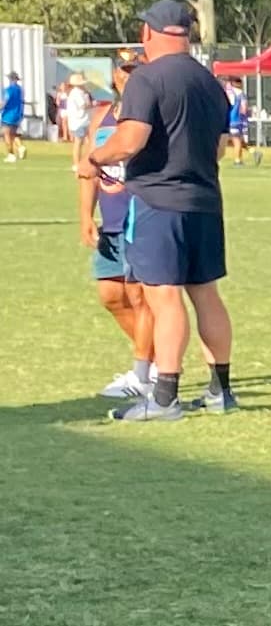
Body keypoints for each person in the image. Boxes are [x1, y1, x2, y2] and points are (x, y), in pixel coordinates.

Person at [88, 0, 234, 421]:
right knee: (206, 294)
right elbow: (219, 148)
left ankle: (165, 397)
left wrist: (96, 158)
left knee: (163, 296)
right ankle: (220, 391)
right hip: (205, 201)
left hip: (157, 202)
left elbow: (130, 139)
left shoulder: (146, 78)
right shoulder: (211, 82)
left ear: (148, 33)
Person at [80, 57, 156, 400]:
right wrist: (85, 215)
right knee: (111, 296)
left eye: (137, 70)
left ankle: (146, 371)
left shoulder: (149, 112)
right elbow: (88, 168)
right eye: (125, 70)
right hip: (110, 220)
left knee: (140, 296)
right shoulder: (102, 115)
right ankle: (154, 358)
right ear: (115, 75)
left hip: (141, 215)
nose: (130, 75)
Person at [3, 69, 25, 160]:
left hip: (8, 114)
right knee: (13, 134)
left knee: (6, 134)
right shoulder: (20, 90)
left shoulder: (8, 90)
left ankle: (11, 154)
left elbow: (4, 101)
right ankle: (20, 147)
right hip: (17, 114)